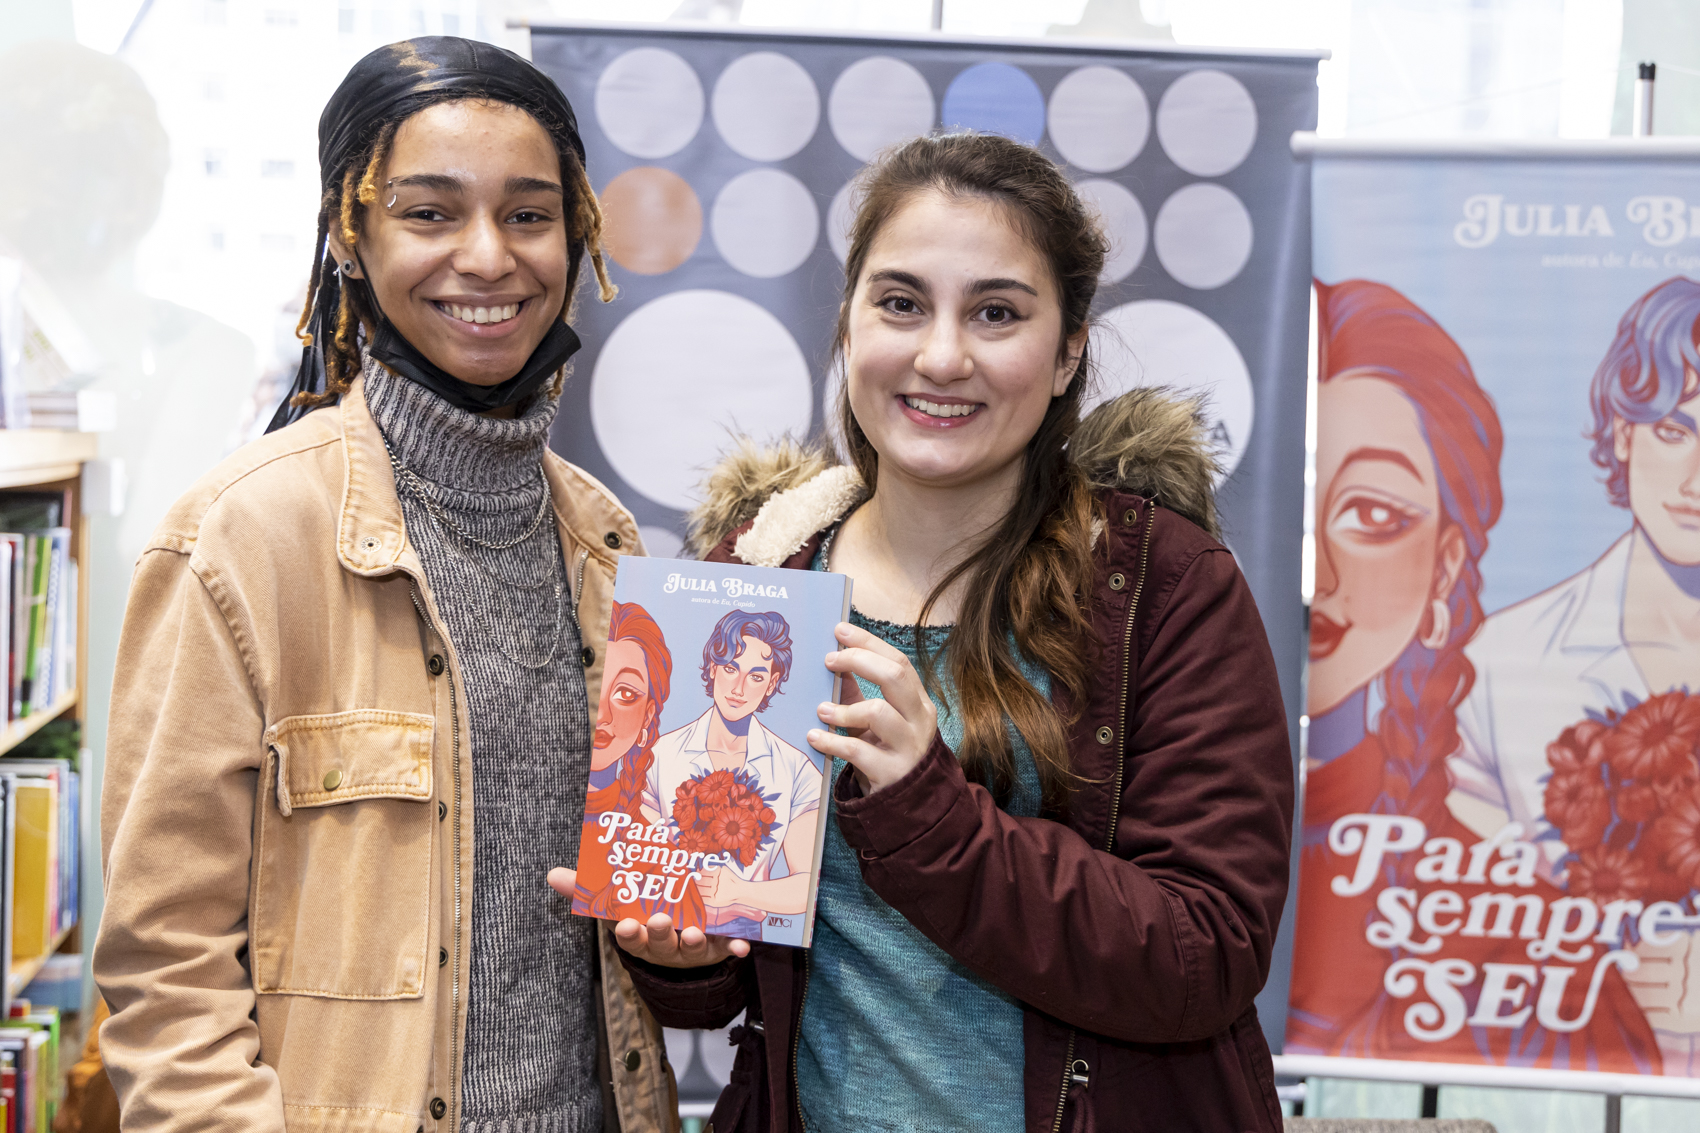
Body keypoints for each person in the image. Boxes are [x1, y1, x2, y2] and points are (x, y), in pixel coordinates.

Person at [549, 132, 1295, 1131]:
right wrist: (676, 954)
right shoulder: (757, 577)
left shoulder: (1161, 586)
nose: (941, 356)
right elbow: (730, 978)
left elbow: (1205, 953)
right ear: (850, 323)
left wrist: (930, 814)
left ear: (1069, 349)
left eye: (996, 312)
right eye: (900, 303)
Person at [93, 38, 677, 1132]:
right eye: (429, 212)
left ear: (577, 236)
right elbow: (165, 970)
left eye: (529, 213)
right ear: (349, 237)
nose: (488, 256)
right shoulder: (241, 537)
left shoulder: (605, 538)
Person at [1285, 278, 1658, 1071]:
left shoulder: (1520, 933)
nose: (1318, 567)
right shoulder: (1103, 811)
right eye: (1285, 498)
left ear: (1446, 569)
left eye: (1373, 513)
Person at [1452, 275, 1700, 1072]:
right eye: (1675, 429)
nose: (1696, 478)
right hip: (1565, 1061)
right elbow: (1457, 907)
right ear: (1623, 433)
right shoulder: (1500, 663)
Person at [642, 610, 821, 940]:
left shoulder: (795, 769)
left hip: (749, 938)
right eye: (730, 668)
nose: (738, 688)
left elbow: (808, 884)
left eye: (756, 676)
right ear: (713, 668)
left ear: (772, 684)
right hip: (664, 922)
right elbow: (635, 855)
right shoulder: (658, 755)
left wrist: (739, 890)